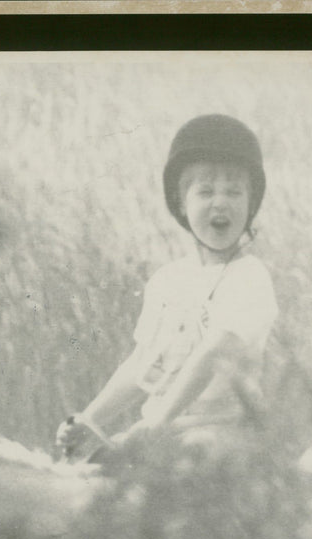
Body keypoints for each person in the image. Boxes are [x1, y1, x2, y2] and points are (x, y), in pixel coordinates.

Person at [56, 114, 278, 461]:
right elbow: (143, 365)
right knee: (96, 470)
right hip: (163, 434)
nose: (221, 201)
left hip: (223, 436)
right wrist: (90, 420)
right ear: (181, 203)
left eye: (234, 191)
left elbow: (215, 353)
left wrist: (157, 422)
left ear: (250, 205)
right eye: (205, 191)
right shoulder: (168, 281)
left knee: (163, 473)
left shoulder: (249, 278)